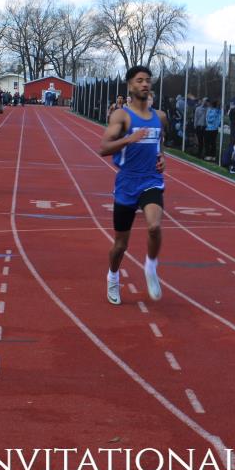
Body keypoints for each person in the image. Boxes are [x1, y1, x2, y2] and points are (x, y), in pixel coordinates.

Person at [99, 65, 167, 305]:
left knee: (154, 227)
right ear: (130, 85)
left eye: (147, 80)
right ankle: (113, 276)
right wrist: (130, 138)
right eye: (139, 80)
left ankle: (151, 266)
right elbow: (103, 148)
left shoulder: (160, 117)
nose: (145, 84)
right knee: (120, 245)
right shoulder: (122, 116)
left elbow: (160, 143)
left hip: (151, 180)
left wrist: (161, 157)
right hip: (127, 183)